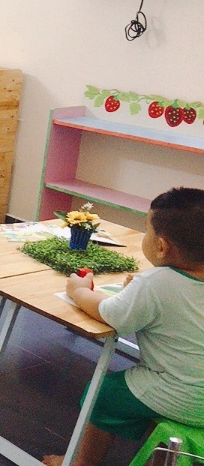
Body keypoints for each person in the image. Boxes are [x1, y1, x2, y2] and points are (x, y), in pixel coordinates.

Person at [43, 187, 204, 466]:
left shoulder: (155, 283)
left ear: (161, 246)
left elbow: (110, 314)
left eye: (146, 229)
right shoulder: (156, 285)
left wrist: (79, 290)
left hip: (186, 398)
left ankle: (81, 463)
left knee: (104, 394)